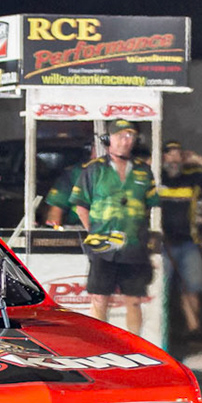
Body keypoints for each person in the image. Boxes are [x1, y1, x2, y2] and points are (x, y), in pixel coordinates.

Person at [69, 119, 157, 336]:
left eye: (130, 136)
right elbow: (80, 205)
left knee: (134, 301)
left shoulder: (144, 171)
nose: (126, 141)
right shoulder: (93, 169)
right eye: (120, 136)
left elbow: (150, 206)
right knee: (99, 298)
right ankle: (99, 344)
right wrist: (95, 233)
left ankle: (136, 348)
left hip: (134, 246)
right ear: (109, 140)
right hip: (102, 247)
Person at [155, 140, 202, 338]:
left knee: (191, 288)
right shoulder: (155, 176)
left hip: (189, 242)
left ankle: (193, 329)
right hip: (161, 243)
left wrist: (196, 158)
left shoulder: (192, 176)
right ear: (163, 157)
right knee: (161, 289)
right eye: (170, 154)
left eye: (178, 154)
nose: (175, 158)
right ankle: (161, 330)